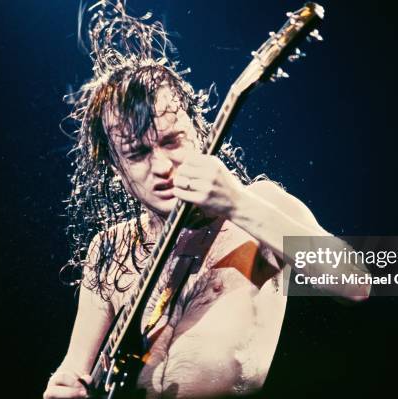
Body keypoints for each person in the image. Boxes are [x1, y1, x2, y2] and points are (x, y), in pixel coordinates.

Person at [43, 3, 370, 398]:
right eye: (137, 153)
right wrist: (65, 387)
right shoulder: (109, 249)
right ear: (117, 167)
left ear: (198, 133)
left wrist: (236, 203)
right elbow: (73, 370)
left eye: (171, 141)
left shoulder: (260, 205)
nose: (161, 165)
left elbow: (354, 284)